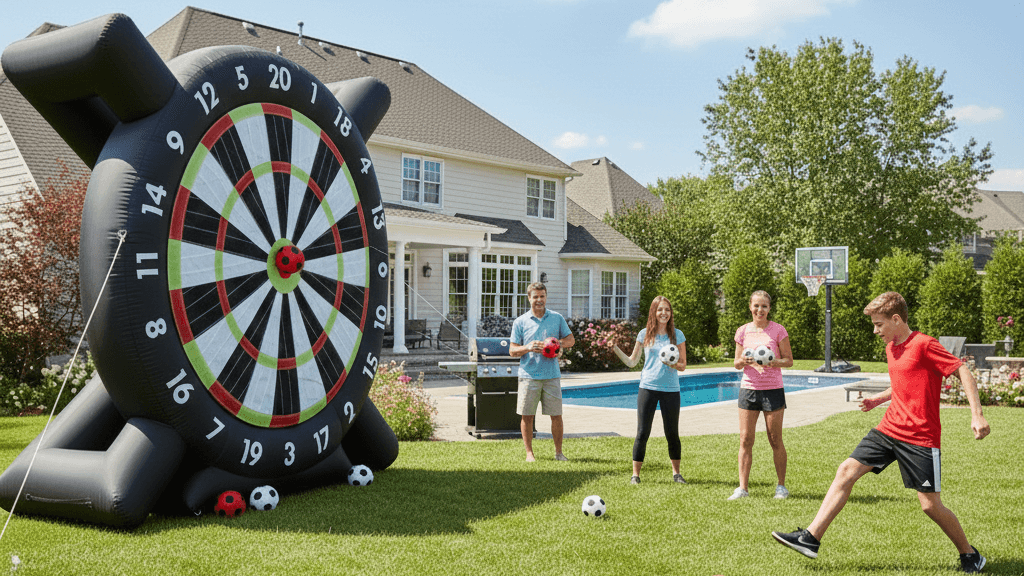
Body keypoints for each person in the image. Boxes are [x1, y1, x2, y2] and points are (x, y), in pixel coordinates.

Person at [772, 292, 990, 573]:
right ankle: (811, 538)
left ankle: (970, 555)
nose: (875, 331)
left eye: (879, 324)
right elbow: (902, 384)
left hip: (919, 437)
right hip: (888, 429)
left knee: (929, 506)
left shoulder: (924, 344)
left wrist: (977, 414)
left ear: (896, 319)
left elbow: (962, 371)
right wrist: (878, 399)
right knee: (846, 470)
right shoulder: (892, 348)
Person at [613, 296, 687, 485]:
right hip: (648, 387)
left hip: (671, 389)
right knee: (642, 432)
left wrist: (671, 362)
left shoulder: (677, 335)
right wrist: (614, 348)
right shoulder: (644, 334)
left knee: (672, 432)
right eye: (660, 309)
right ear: (654, 312)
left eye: (667, 310)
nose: (664, 313)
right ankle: (635, 475)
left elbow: (683, 366)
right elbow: (632, 362)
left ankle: (676, 474)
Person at [729, 290, 794, 500]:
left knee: (775, 439)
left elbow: (789, 360)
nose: (760, 310)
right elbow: (736, 363)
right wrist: (744, 361)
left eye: (764, 306)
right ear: (750, 307)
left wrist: (772, 361)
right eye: (756, 306)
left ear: (769, 309)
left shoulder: (778, 330)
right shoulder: (743, 331)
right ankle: (742, 488)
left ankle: (781, 487)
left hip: (772, 390)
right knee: (745, 439)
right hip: (748, 389)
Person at [509, 282, 575, 462]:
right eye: (535, 297)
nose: (539, 300)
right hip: (528, 376)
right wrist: (528, 347)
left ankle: (559, 453)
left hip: (551, 375)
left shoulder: (557, 318)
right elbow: (512, 350)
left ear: (546, 297)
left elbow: (570, 340)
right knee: (527, 416)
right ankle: (529, 453)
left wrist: (555, 343)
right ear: (529, 298)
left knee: (556, 416)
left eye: (542, 296)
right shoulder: (520, 322)